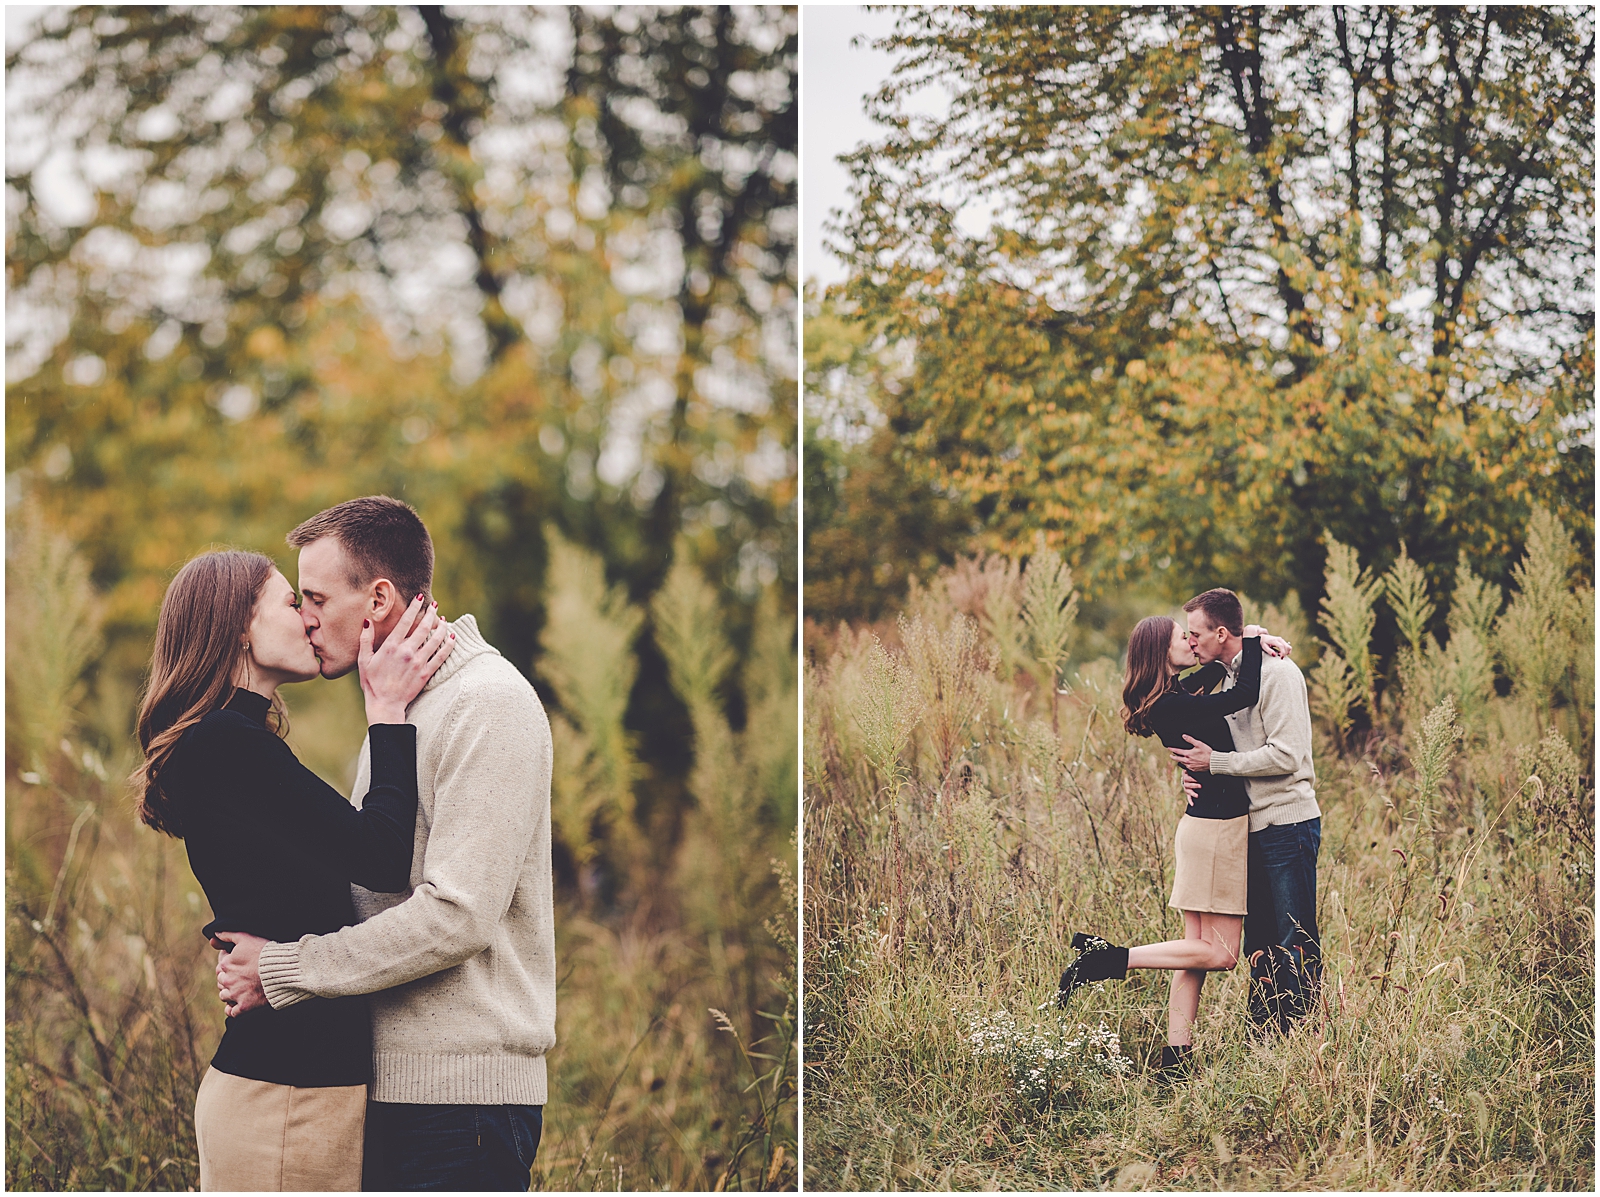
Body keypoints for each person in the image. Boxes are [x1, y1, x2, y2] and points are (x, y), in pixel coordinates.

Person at [213, 496, 556, 1192]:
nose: (305, 618)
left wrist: (284, 967)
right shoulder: (399, 708)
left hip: (463, 1106)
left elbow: (457, 915)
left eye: (314, 597)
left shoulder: (488, 702)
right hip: (391, 1089)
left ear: (378, 597)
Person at [134, 550, 454, 1191]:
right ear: (237, 629)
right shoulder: (226, 743)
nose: (310, 620)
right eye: (290, 603)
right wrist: (387, 711)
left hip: (297, 1087)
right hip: (285, 1098)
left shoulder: (230, 743)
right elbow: (382, 856)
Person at [1057, 610, 1290, 1078]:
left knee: (1192, 952)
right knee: (1221, 954)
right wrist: (1250, 644)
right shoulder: (1171, 704)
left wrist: (1252, 637)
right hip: (1218, 832)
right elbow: (1242, 691)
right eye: (1182, 637)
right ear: (1160, 651)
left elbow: (1220, 664)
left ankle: (1175, 1062)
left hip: (1203, 828)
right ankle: (1110, 959)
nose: (1192, 640)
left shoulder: (1173, 694)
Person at [1168, 588, 1322, 1036]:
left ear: (1220, 632)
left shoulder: (1278, 674)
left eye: (1196, 634)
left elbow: (1287, 755)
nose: (1191, 642)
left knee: (1295, 937)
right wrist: (1195, 772)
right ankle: (1265, 1039)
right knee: (1259, 942)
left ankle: (1303, 1042)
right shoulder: (1230, 676)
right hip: (1248, 827)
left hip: (1287, 823)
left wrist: (1213, 763)